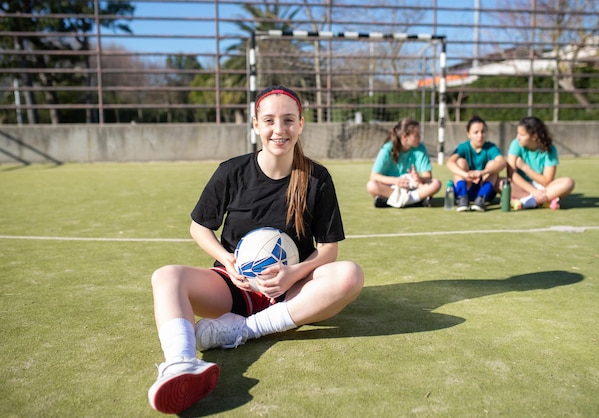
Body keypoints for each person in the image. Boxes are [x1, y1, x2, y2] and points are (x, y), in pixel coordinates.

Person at [147, 85, 364, 414]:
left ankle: (244, 329)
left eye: (289, 120)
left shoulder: (316, 178)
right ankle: (180, 364)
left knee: (350, 275)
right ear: (255, 124)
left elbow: (329, 249)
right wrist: (227, 260)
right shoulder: (231, 172)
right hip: (234, 287)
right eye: (270, 121)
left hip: (293, 293)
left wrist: (293, 272)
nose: (280, 130)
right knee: (166, 277)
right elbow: (199, 227)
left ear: (301, 124)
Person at [366, 117, 441, 208]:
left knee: (436, 184)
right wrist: (396, 181)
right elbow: (374, 176)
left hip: (411, 187)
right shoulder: (387, 148)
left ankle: (391, 201)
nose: (420, 138)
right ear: (405, 136)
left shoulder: (420, 149)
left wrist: (418, 178)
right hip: (391, 187)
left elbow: (428, 177)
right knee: (371, 186)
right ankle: (414, 201)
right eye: (416, 135)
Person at [506, 116, 575, 210]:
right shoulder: (515, 144)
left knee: (568, 182)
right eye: (517, 133)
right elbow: (511, 174)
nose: (518, 137)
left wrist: (525, 168)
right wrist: (534, 191)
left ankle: (528, 202)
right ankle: (544, 200)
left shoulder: (549, 149)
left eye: (522, 135)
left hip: (542, 188)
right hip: (522, 186)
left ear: (534, 137)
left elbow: (547, 181)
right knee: (501, 183)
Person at [446, 115, 506, 212]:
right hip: (468, 185)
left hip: (486, 190)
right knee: (460, 162)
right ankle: (463, 198)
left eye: (483, 132)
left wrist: (483, 172)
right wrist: (466, 174)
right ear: (468, 134)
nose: (480, 135)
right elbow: (449, 162)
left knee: (492, 165)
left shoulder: (490, 147)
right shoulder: (463, 147)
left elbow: (502, 162)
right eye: (476, 132)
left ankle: (481, 199)